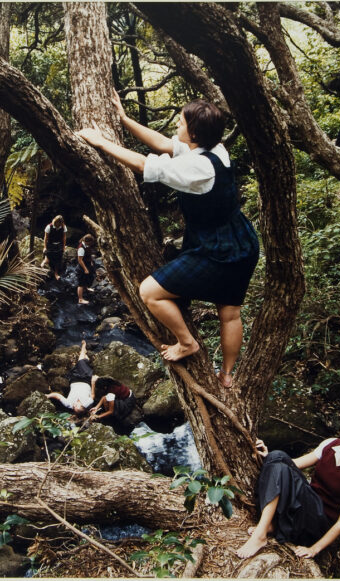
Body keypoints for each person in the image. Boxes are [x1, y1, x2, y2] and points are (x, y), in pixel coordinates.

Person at [77, 95, 259, 387]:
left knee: (150, 292)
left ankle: (187, 342)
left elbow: (141, 164)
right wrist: (124, 120)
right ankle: (227, 376)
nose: (177, 123)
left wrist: (100, 141)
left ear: (195, 133)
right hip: (241, 240)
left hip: (217, 250)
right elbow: (163, 144)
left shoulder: (198, 168)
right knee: (229, 312)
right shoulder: (214, 149)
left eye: (182, 121)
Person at [236, 417, 340, 560]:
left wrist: (314, 549)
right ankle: (270, 525)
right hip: (305, 501)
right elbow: (294, 464)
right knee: (277, 455)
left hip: (317, 521)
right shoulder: (332, 444)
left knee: (279, 464)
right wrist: (268, 458)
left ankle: (261, 534)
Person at [46, 340, 96, 415]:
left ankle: (84, 351)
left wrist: (48, 396)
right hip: (86, 380)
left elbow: (57, 396)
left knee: (80, 362)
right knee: (82, 362)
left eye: (73, 407)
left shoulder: (68, 404)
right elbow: (92, 395)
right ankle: (84, 351)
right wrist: (93, 382)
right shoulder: (87, 403)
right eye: (76, 406)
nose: (73, 405)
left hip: (74, 380)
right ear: (82, 406)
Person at [41, 214, 67, 280]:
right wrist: (45, 247)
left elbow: (64, 237)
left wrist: (64, 247)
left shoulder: (63, 227)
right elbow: (45, 238)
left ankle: (56, 273)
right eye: (57, 223)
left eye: (60, 223)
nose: (58, 224)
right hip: (50, 244)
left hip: (59, 245)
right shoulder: (49, 227)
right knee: (49, 257)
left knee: (58, 260)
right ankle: (45, 260)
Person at [76, 234, 97, 305]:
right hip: (82, 267)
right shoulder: (81, 248)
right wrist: (85, 269)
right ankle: (80, 299)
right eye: (91, 242)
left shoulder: (87, 246)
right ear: (87, 241)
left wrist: (91, 262)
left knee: (88, 278)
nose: (91, 244)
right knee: (81, 283)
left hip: (87, 264)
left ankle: (86, 288)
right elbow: (80, 260)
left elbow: (89, 255)